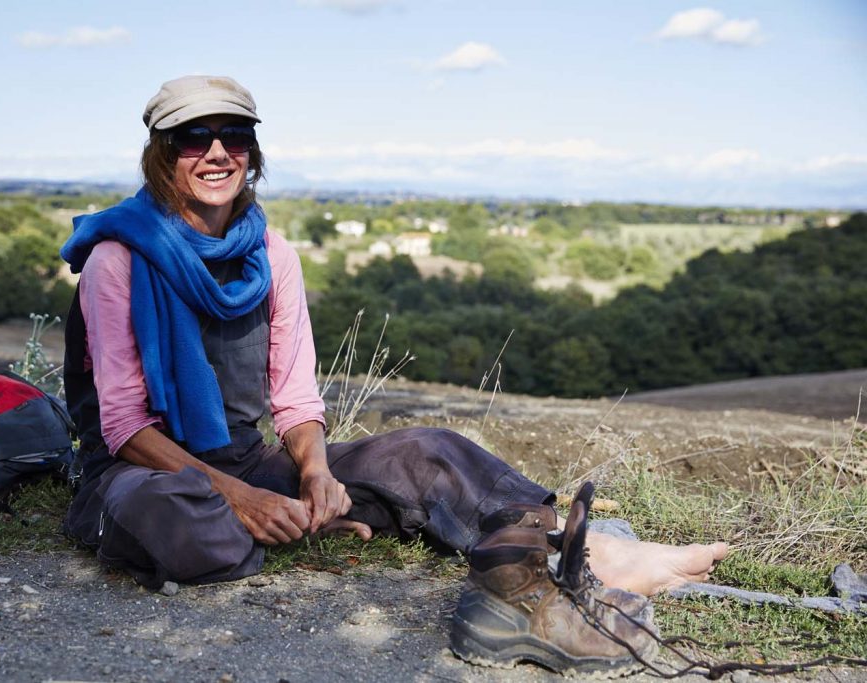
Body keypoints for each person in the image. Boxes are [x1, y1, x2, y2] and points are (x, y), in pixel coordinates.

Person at [59, 75, 728, 674]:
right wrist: (242, 498)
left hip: (246, 459)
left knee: (425, 452)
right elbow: (123, 426)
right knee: (179, 520)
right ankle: (282, 524)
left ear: (253, 152)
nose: (215, 152)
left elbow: (294, 398)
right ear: (159, 153)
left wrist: (316, 473)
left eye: (233, 135)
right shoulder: (117, 261)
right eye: (190, 138)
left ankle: (563, 546)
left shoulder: (271, 255)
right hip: (139, 473)